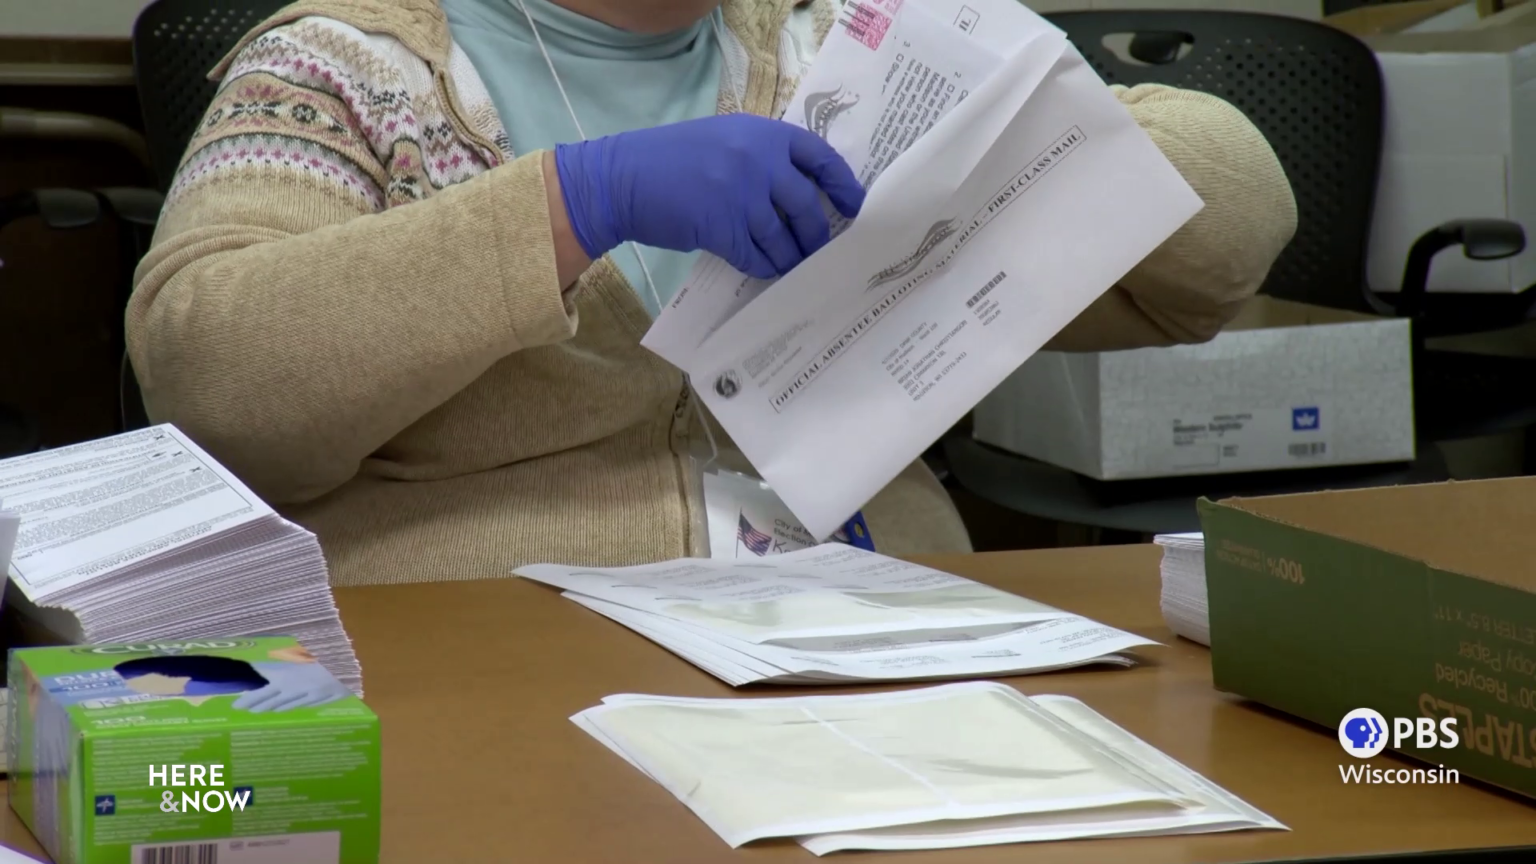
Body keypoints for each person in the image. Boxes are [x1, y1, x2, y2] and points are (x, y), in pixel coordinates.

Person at [127, 0, 1298, 588]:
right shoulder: (346, 63)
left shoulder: (833, 48)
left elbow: (1227, 238)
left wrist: (1026, 79)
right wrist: (576, 202)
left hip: (873, 658)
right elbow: (214, 386)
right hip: (486, 662)